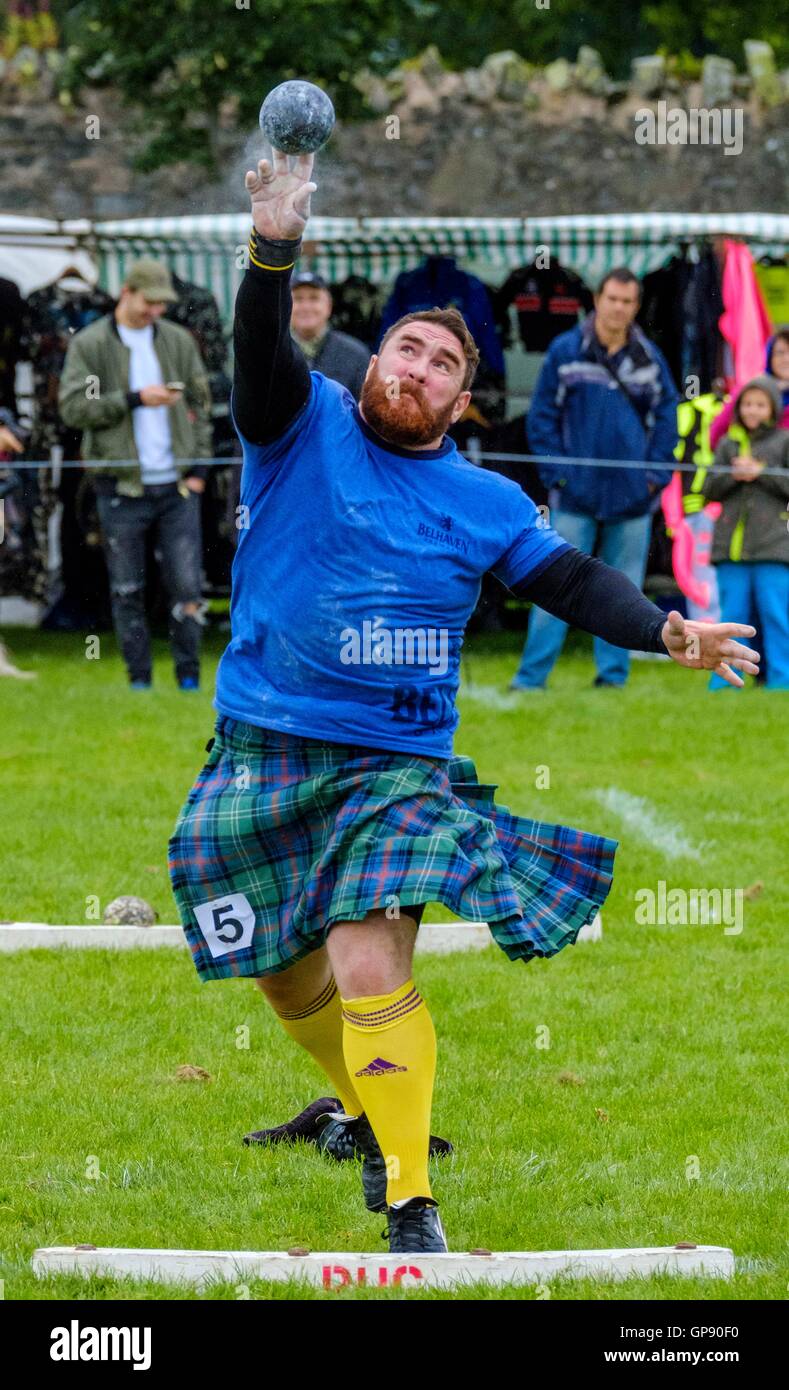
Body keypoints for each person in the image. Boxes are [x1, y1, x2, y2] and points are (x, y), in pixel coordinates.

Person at [168, 149, 759, 1255]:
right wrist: (273, 239)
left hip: (393, 764)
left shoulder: (482, 496)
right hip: (260, 747)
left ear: (461, 396)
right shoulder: (301, 425)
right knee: (282, 970)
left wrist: (668, 625)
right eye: (407, 348)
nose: (421, 367)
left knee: (366, 959)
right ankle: (354, 1108)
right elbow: (256, 357)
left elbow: (570, 579)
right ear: (374, 362)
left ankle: (408, 1199)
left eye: (445, 362)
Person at [511, 268, 679, 691]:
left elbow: (668, 421)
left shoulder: (648, 357)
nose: (618, 308)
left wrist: (654, 477)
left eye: (627, 301)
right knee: (551, 585)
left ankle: (613, 678)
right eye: (612, 299)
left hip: (632, 498)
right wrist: (558, 476)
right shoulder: (566, 350)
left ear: (636, 307)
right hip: (573, 497)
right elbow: (541, 419)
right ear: (597, 300)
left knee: (626, 595)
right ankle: (531, 679)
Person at [59, 259, 212, 689]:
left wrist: (197, 471)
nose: (155, 311)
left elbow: (200, 407)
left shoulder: (179, 342)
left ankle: (189, 676)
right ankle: (139, 678)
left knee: (187, 588)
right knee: (127, 589)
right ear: (126, 292)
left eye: (162, 304)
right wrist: (132, 399)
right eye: (150, 302)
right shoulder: (89, 345)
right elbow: (74, 409)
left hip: (177, 485)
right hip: (120, 486)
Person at [702, 374, 789, 690]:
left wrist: (761, 473)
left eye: (760, 404)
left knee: (777, 618)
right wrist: (733, 475)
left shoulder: (784, 442)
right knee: (731, 621)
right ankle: (723, 682)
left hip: (774, 549)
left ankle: (782, 681)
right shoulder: (727, 444)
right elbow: (708, 489)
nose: (753, 410)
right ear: (739, 408)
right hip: (731, 551)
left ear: (772, 409)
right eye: (748, 404)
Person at [290, 270, 369, 398]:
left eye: (314, 298)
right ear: (286, 305)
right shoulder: (273, 353)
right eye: (298, 299)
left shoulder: (355, 354)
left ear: (328, 306)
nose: (306, 307)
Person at [709, 327, 789, 448]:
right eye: (780, 353)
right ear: (769, 356)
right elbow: (717, 433)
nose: (786, 359)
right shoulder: (751, 388)